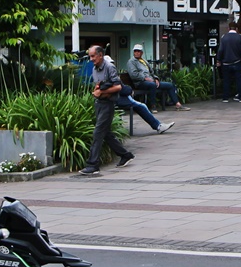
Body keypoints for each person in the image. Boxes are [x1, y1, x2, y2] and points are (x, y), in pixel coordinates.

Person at [80, 44, 135, 176]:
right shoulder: (94, 69)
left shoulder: (109, 67)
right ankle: (125, 155)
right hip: (99, 103)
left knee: (98, 133)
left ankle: (93, 165)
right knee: (106, 133)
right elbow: (97, 86)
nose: (91, 59)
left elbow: (118, 87)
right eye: (90, 56)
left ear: (100, 55)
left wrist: (102, 91)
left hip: (108, 104)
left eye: (93, 56)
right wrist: (97, 92)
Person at [126, 45, 187, 110]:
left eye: (138, 51)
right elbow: (133, 74)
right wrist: (144, 78)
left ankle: (178, 104)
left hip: (151, 81)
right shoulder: (131, 62)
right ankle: (153, 106)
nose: (137, 53)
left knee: (170, 85)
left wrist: (156, 78)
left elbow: (151, 72)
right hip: (140, 82)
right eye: (135, 51)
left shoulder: (144, 61)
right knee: (152, 85)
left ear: (142, 53)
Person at [219, 24, 241, 102]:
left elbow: (220, 50)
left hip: (226, 63)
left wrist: (219, 59)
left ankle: (225, 97)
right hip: (237, 61)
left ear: (228, 28)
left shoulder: (224, 37)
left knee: (226, 80)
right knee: (239, 80)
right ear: (237, 29)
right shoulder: (239, 37)